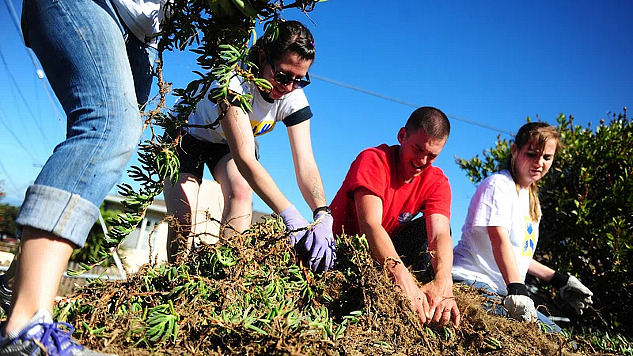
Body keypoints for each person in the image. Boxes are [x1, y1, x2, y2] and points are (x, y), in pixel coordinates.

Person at [0, 0, 167, 355]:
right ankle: (25, 330)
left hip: (142, 36)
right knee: (108, 126)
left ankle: (15, 287)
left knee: (113, 139)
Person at [163, 20, 336, 272]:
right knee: (183, 220)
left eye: (299, 80)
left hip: (224, 144)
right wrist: (289, 215)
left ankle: (225, 275)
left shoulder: (293, 97)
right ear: (263, 57)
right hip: (186, 135)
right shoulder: (234, 83)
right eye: (282, 76)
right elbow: (245, 158)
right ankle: (176, 278)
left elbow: (306, 163)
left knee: (242, 193)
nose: (287, 87)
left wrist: (322, 212)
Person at [451, 122, 593, 332]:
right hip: (471, 281)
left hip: (500, 290)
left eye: (547, 157)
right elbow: (498, 237)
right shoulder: (498, 184)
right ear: (515, 151)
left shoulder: (531, 199)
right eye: (532, 154)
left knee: (561, 338)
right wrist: (517, 288)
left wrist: (558, 279)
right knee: (550, 336)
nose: (539, 163)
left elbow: (519, 254)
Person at [330, 106, 460, 327]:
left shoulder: (437, 181)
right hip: (341, 251)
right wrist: (401, 277)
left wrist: (444, 281)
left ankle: (428, 301)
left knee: (428, 232)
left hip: (385, 251)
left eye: (432, 155)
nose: (422, 161)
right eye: (417, 149)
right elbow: (370, 225)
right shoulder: (373, 160)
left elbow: (439, 234)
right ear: (402, 136)